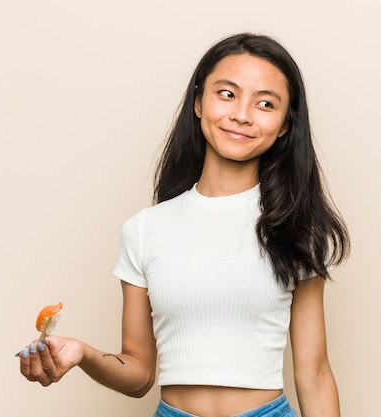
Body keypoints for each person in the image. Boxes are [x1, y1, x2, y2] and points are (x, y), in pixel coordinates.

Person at [18, 32, 349, 417]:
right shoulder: (144, 230)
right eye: (227, 94)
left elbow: (314, 374)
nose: (241, 114)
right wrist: (82, 354)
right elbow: (140, 374)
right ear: (197, 102)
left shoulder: (297, 229)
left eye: (265, 103)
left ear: (285, 126)